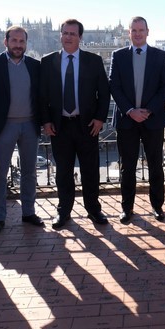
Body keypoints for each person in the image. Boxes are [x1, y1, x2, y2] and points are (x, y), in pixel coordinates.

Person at [39, 18, 110, 229]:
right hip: (59, 126)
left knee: (90, 171)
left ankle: (93, 210)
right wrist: (45, 121)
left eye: (72, 34)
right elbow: (41, 96)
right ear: (60, 35)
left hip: (87, 125)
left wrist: (99, 119)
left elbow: (104, 93)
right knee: (63, 172)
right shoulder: (48, 61)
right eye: (64, 33)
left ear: (80, 37)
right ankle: (64, 212)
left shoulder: (93, 61)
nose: (68, 37)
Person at [0, 26, 44, 235]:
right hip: (4, 126)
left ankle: (28, 212)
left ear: (26, 43)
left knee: (29, 172)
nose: (18, 45)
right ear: (5, 42)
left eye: (21, 41)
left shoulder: (35, 65)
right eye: (14, 40)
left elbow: (41, 95)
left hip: (30, 125)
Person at [109, 16, 165, 224]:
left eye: (141, 30)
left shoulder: (160, 56)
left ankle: (157, 207)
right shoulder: (118, 56)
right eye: (133, 30)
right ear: (128, 33)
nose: (137, 33)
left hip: (152, 120)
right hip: (127, 120)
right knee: (127, 167)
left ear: (148, 31)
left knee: (155, 165)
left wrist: (148, 110)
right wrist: (130, 110)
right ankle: (127, 209)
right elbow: (114, 86)